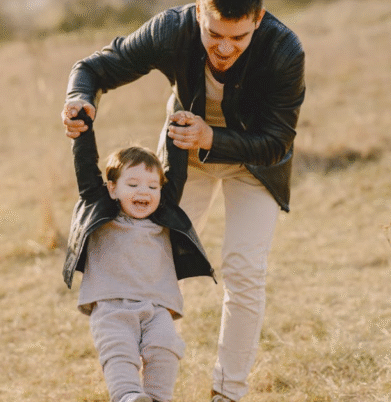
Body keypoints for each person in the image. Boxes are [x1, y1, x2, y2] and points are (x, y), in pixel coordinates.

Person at [60, 0, 305, 400]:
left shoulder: (285, 50)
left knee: (244, 272)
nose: (224, 48)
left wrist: (213, 138)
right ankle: (136, 384)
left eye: (239, 37)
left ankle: (228, 391)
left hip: (255, 163)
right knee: (154, 259)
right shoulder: (171, 29)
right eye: (214, 35)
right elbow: (94, 68)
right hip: (183, 157)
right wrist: (80, 98)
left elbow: (278, 142)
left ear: (259, 19)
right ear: (198, 15)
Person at [62, 110, 214, 402]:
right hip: (111, 306)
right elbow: (84, 166)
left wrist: (178, 124)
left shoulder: (164, 216)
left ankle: (157, 398)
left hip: (157, 308)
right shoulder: (102, 212)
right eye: (132, 185)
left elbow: (177, 171)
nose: (143, 192)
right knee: (119, 351)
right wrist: (82, 125)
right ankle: (129, 396)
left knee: (165, 348)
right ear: (112, 189)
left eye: (152, 186)